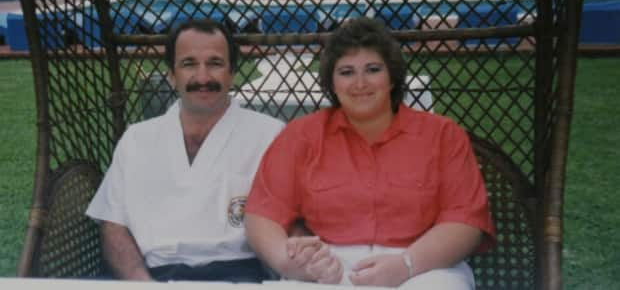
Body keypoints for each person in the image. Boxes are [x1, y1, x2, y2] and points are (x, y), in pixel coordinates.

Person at [244, 17, 496, 289]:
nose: (360, 83)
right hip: (330, 266)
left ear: (392, 77)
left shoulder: (442, 135)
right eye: (347, 72)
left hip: (422, 265)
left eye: (373, 69)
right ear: (332, 82)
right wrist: (291, 262)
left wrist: (406, 265)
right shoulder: (301, 136)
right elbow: (263, 214)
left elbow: (465, 221)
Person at [86, 18, 284, 282]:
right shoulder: (137, 139)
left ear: (232, 73)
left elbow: (291, 219)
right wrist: (142, 284)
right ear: (171, 74)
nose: (202, 77)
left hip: (238, 275)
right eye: (189, 64)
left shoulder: (269, 134)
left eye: (214, 63)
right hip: (151, 275)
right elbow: (113, 225)